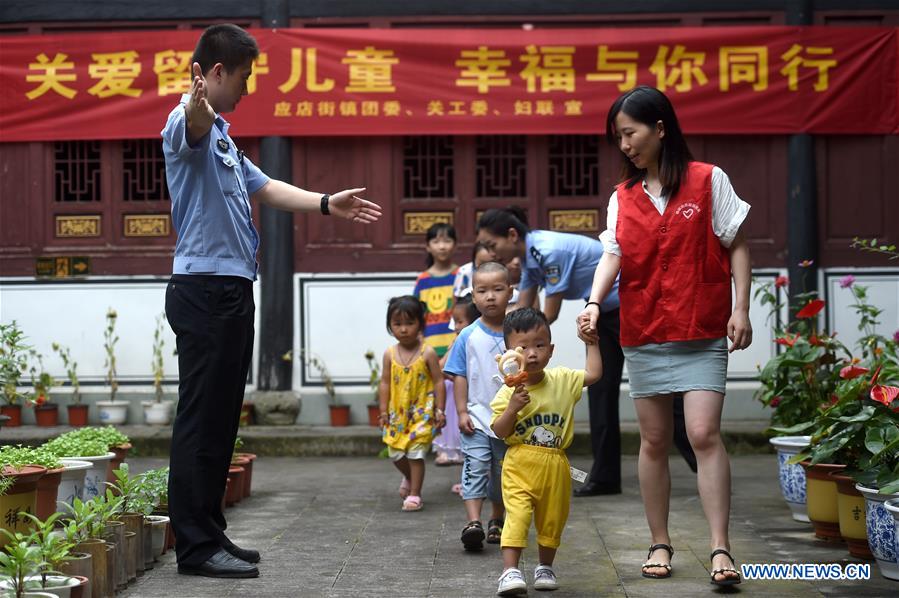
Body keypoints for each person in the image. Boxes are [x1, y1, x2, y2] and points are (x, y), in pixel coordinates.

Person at [161, 24, 381, 579]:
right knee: (200, 420)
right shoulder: (185, 122)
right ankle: (193, 547)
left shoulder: (225, 141)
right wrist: (195, 103)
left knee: (220, 422)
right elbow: (189, 122)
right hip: (204, 290)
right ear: (214, 73)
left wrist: (329, 203)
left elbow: (266, 188)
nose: (247, 87)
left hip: (231, 289)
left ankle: (211, 533)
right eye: (242, 76)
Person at [577, 85, 752, 586]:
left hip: (701, 324)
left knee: (702, 434)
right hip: (645, 325)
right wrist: (593, 302)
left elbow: (736, 244)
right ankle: (660, 540)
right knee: (653, 439)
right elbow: (613, 253)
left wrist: (742, 308)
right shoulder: (622, 196)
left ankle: (720, 548)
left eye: (629, 133)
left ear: (660, 128)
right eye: (618, 138)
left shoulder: (708, 179)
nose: (624, 145)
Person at [476, 208, 696, 497]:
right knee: (600, 391)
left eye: (493, 246)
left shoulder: (548, 251)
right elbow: (524, 312)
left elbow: (546, 317)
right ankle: (605, 478)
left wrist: (521, 345)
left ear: (512, 235)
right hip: (602, 314)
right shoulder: (531, 258)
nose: (492, 254)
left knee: (659, 389)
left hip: (634, 310)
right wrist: (496, 334)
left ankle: (702, 461)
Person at [490, 308, 603, 595]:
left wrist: (591, 341)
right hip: (519, 461)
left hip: (556, 464)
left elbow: (594, 373)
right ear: (508, 355)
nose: (531, 353)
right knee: (516, 514)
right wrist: (514, 408)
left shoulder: (562, 379)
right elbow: (499, 431)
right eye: (522, 347)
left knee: (552, 518)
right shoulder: (507, 392)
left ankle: (545, 567)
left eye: (539, 345)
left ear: (551, 350)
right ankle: (509, 571)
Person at [443, 262, 514, 551]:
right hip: (475, 417)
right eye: (482, 291)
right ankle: (473, 522)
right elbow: (459, 375)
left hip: (508, 420)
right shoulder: (467, 336)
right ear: (473, 296)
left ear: (510, 292)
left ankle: (497, 519)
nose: (490, 297)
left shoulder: (516, 332)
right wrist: (461, 412)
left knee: (502, 472)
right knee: (475, 467)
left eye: (498, 289)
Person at [377, 296, 447, 511]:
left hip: (421, 413)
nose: (404, 329)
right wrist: (383, 411)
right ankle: (409, 477)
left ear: (420, 323)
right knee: (396, 454)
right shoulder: (389, 354)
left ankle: (415, 494)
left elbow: (438, 381)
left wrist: (440, 410)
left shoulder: (428, 352)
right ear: (390, 326)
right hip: (397, 413)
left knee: (416, 453)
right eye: (398, 324)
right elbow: (385, 382)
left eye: (410, 323)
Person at [435, 295, 480, 471]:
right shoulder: (458, 341)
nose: (456, 327)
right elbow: (443, 367)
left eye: (460, 322)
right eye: (455, 322)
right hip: (457, 392)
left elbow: (442, 366)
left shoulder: (465, 340)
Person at [413, 222, 459, 360]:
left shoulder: (460, 275)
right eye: (436, 241)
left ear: (455, 245)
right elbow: (416, 314)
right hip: (428, 348)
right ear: (428, 246)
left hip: (457, 345)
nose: (442, 246)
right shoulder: (422, 280)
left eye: (447, 241)